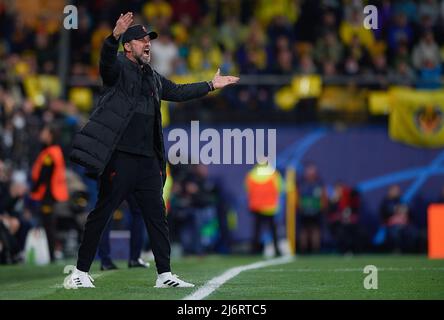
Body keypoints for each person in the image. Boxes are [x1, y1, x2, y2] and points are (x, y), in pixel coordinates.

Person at [67, 12, 239, 288]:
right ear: (128, 46)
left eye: (149, 40)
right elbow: (105, 63)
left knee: (157, 217)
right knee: (102, 212)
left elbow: (178, 91)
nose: (147, 43)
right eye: (141, 40)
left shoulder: (153, 78)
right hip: (120, 155)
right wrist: (112, 37)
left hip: (147, 159)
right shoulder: (119, 68)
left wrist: (210, 85)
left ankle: (165, 274)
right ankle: (79, 271)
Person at [30, 124, 69, 262]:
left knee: (48, 223)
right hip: (50, 193)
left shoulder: (50, 153)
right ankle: (50, 252)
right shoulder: (52, 150)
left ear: (50, 135)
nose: (42, 134)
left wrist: (33, 188)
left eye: (44, 132)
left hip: (48, 194)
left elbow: (44, 174)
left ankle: (51, 254)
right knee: (48, 223)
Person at [98, 195, 150, 270]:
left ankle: (105, 261)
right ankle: (135, 259)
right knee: (138, 212)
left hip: (111, 183)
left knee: (106, 211)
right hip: (131, 184)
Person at [245, 161, 283, 257]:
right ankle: (276, 249)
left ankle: (254, 250)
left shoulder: (252, 174)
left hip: (256, 206)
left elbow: (247, 188)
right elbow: (280, 187)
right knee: (273, 229)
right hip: (269, 206)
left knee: (256, 230)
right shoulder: (273, 173)